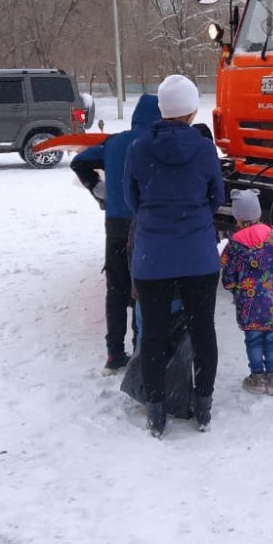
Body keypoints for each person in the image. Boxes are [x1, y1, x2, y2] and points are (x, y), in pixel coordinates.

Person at [125, 74, 224, 439]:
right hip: (198, 255)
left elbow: (132, 199)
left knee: (152, 333)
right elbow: (216, 196)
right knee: (203, 331)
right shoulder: (203, 149)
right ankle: (203, 404)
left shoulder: (138, 148)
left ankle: (156, 408)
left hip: (153, 258)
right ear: (192, 109)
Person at [71, 93, 161, 374]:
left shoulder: (114, 142)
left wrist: (96, 187)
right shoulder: (156, 144)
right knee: (142, 290)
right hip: (146, 226)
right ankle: (139, 348)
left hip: (116, 226)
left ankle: (114, 354)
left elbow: (79, 162)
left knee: (116, 290)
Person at [220, 188, 273, 396]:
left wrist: (232, 286)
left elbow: (229, 274)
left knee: (253, 340)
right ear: (258, 213)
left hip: (249, 304)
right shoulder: (272, 235)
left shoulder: (235, 243)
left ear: (237, 216)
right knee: (270, 338)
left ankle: (257, 378)